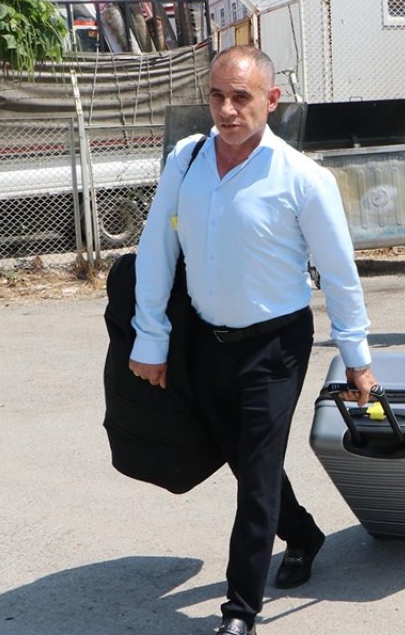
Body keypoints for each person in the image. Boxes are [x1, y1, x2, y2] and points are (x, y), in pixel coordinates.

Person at [130, 46, 375, 635]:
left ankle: (240, 611)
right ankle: (306, 534)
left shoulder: (303, 178)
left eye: (241, 96)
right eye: (217, 95)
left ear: (271, 99)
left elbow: (340, 274)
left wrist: (357, 359)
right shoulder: (185, 161)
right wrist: (150, 338)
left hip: (276, 348)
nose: (226, 109)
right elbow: (155, 252)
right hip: (206, 345)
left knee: (258, 472)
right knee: (244, 464)